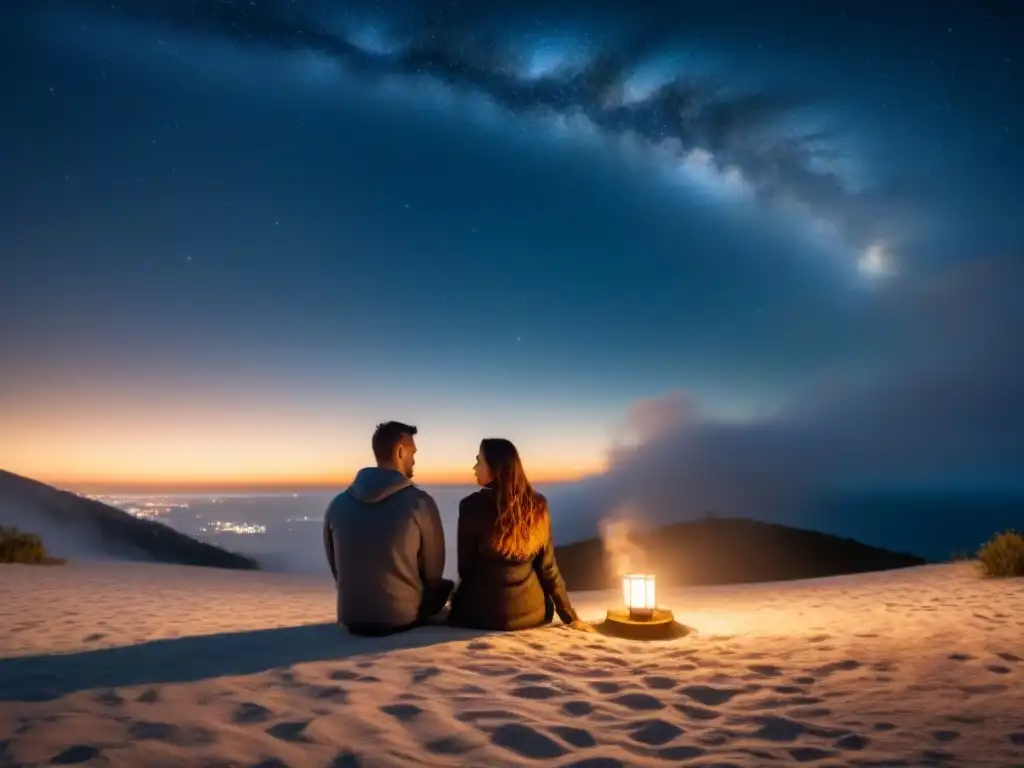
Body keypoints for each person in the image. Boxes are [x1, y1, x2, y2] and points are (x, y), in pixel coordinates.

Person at [448, 437, 593, 632]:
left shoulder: (470, 506)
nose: (474, 467)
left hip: (480, 616)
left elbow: (465, 568)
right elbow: (548, 569)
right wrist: (569, 616)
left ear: (494, 467)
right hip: (530, 614)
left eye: (479, 461)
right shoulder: (538, 505)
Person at [323, 421, 453, 636]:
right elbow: (433, 575)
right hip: (400, 618)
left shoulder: (337, 504)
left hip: (350, 616)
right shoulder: (419, 503)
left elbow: (336, 567)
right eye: (413, 452)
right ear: (401, 451)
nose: (414, 459)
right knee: (445, 589)